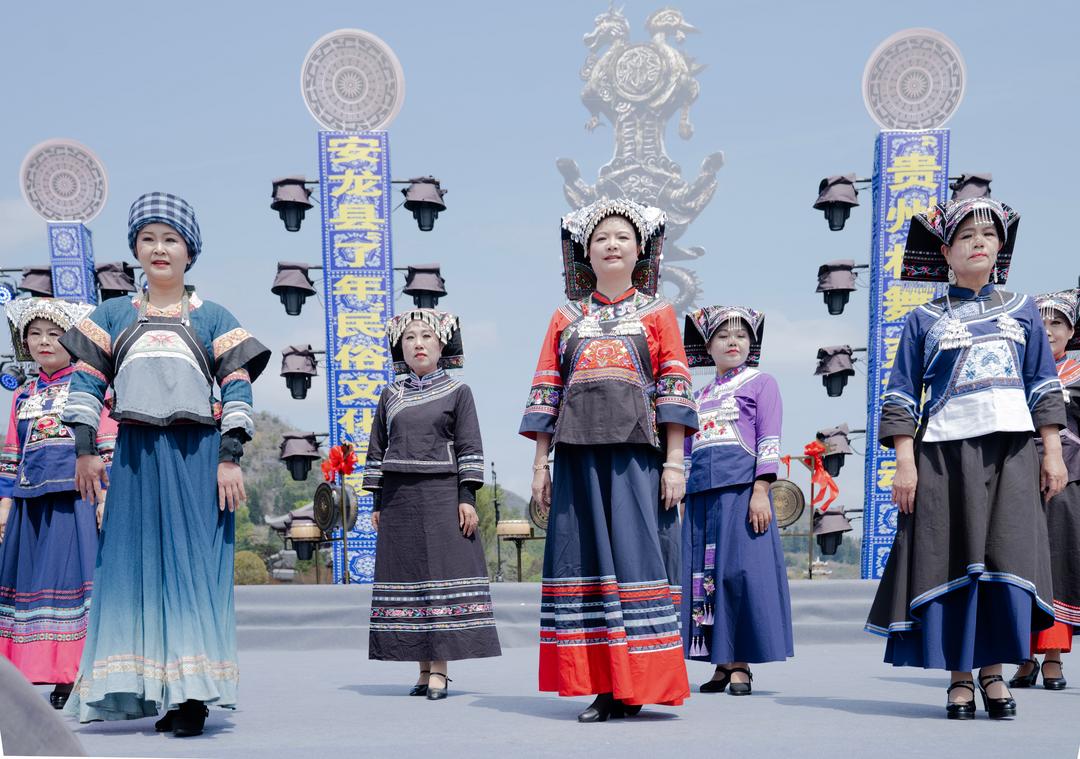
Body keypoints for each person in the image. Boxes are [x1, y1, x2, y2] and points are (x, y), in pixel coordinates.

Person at [58, 192, 270, 736]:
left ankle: (192, 697)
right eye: (148, 239)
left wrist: (230, 459)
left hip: (197, 458)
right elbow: (85, 386)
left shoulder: (214, 317)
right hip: (134, 458)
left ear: (189, 252)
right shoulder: (112, 315)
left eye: (171, 239)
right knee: (133, 570)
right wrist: (85, 451)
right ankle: (153, 689)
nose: (159, 249)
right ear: (135, 249)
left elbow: (237, 390)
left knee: (194, 570)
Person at [864, 197, 1067, 720]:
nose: (979, 242)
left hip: (1013, 453)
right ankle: (959, 676)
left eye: (989, 234)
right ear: (946, 253)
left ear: (1000, 248)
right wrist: (904, 463)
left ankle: (993, 673)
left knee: (1005, 559)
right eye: (966, 236)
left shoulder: (1022, 308)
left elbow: (1043, 385)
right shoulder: (923, 319)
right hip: (944, 456)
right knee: (952, 557)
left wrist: (1051, 453)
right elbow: (901, 394)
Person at [520, 198, 698, 722]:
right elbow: (546, 391)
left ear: (640, 250)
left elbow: (674, 388)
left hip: (637, 460)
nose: (612, 245)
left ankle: (636, 683)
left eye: (622, 237)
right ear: (586, 252)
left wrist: (675, 463)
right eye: (601, 238)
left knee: (636, 560)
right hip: (577, 458)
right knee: (586, 561)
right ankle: (603, 686)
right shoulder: (565, 317)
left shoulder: (658, 313)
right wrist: (540, 465)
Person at [362, 308, 500, 699]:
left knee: (440, 577)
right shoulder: (390, 395)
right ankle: (422, 669)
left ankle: (440, 669)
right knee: (409, 578)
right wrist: (377, 501)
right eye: (409, 337)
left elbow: (470, 445)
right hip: (399, 499)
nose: (418, 344)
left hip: (442, 495)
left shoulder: (459, 392)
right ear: (400, 348)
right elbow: (377, 448)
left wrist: (466, 498)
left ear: (441, 346)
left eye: (426, 336)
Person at [0, 298, 116, 709]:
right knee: (32, 589)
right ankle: (31, 672)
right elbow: (11, 454)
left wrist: (105, 497)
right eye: (35, 334)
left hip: (76, 502)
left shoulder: (90, 388)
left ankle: (74, 674)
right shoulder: (23, 395)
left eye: (54, 333)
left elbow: (107, 445)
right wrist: (5, 504)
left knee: (74, 588)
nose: (44, 341)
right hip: (30, 507)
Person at [680, 305, 792, 695]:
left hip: (742, 493)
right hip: (701, 499)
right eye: (724, 336)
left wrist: (761, 490)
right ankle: (721, 662)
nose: (733, 342)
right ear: (708, 346)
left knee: (739, 574)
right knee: (704, 576)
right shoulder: (697, 396)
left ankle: (741, 661)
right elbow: (687, 452)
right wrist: (683, 500)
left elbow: (769, 438)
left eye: (741, 335)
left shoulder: (761, 383)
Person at [1009, 287, 1080, 690]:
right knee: (1019, 562)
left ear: (1072, 331)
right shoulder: (1011, 373)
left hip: (1069, 480)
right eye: (1041, 322)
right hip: (1017, 475)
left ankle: (1053, 655)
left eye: (1058, 323)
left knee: (1058, 563)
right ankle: (1022, 655)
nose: (1049, 330)